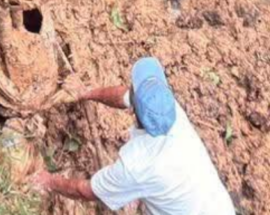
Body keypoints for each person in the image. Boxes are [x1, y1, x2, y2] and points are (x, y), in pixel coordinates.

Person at [30, 57, 235, 215]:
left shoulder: (137, 165)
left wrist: (48, 181)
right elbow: (124, 95)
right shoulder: (170, 111)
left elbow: (86, 191)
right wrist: (86, 92)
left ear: (136, 112)